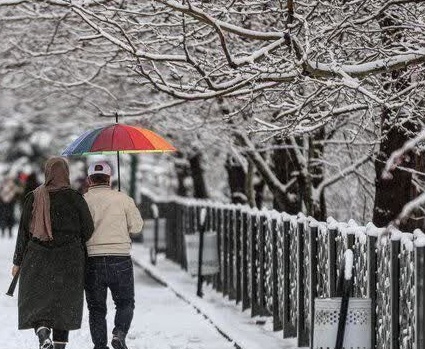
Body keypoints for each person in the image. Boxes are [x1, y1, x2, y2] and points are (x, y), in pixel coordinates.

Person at [11, 157, 94, 349]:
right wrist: (73, 241)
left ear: (47, 172)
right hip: (69, 258)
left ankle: (42, 331)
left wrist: (17, 261)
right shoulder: (75, 198)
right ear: (66, 173)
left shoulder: (34, 197)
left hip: (37, 256)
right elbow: (88, 229)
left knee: (38, 299)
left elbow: (23, 231)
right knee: (64, 302)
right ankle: (58, 345)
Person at [84, 161, 143, 349]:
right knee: (125, 302)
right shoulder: (123, 199)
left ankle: (100, 346)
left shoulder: (83, 200)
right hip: (120, 259)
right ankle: (119, 333)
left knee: (96, 308)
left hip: (92, 260)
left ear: (89, 179)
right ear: (109, 179)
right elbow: (137, 227)